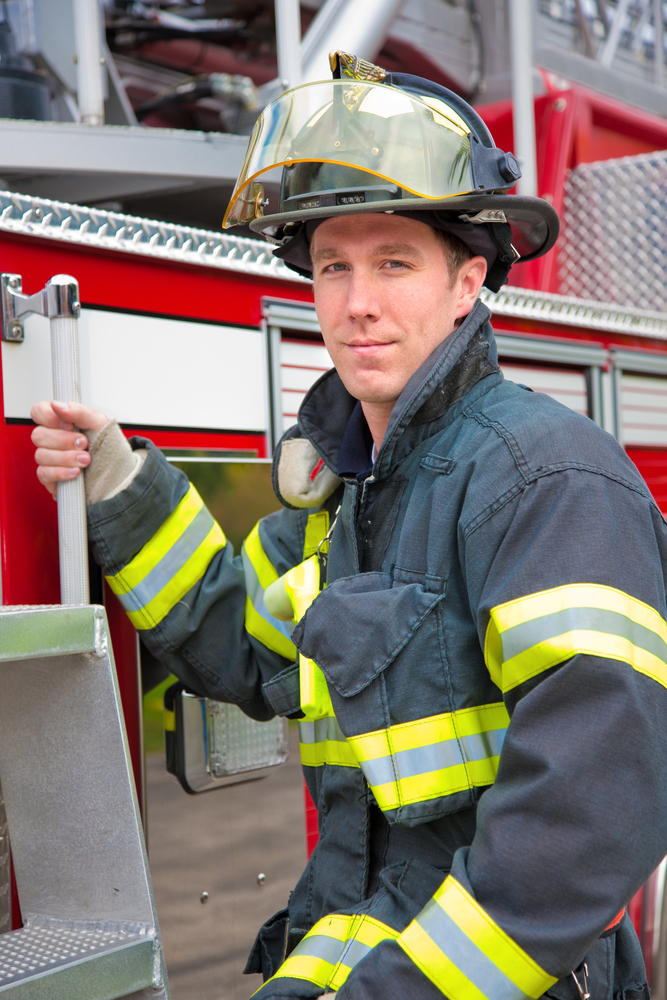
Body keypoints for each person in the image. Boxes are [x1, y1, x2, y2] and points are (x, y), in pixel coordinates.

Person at [30, 52, 667, 1000]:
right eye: (334, 266)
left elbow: (584, 819)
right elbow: (237, 644)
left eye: (394, 263)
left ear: (467, 283)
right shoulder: (343, 497)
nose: (357, 303)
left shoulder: (545, 478)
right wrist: (119, 480)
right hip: (346, 946)